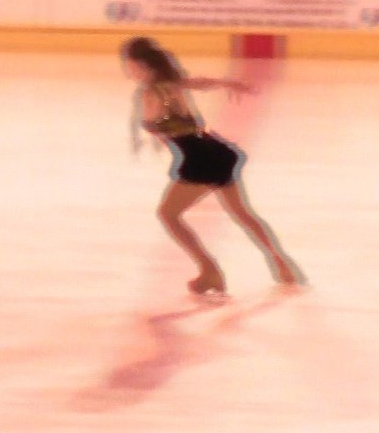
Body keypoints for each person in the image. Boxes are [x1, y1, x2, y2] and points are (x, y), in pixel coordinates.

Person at [122, 37, 306, 295]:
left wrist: (151, 127)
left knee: (168, 214)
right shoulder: (169, 85)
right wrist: (226, 83)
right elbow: (197, 85)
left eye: (128, 64)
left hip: (201, 159)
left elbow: (157, 120)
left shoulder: (153, 92)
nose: (126, 70)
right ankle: (282, 263)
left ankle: (210, 271)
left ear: (142, 65)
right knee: (243, 214)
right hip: (214, 152)